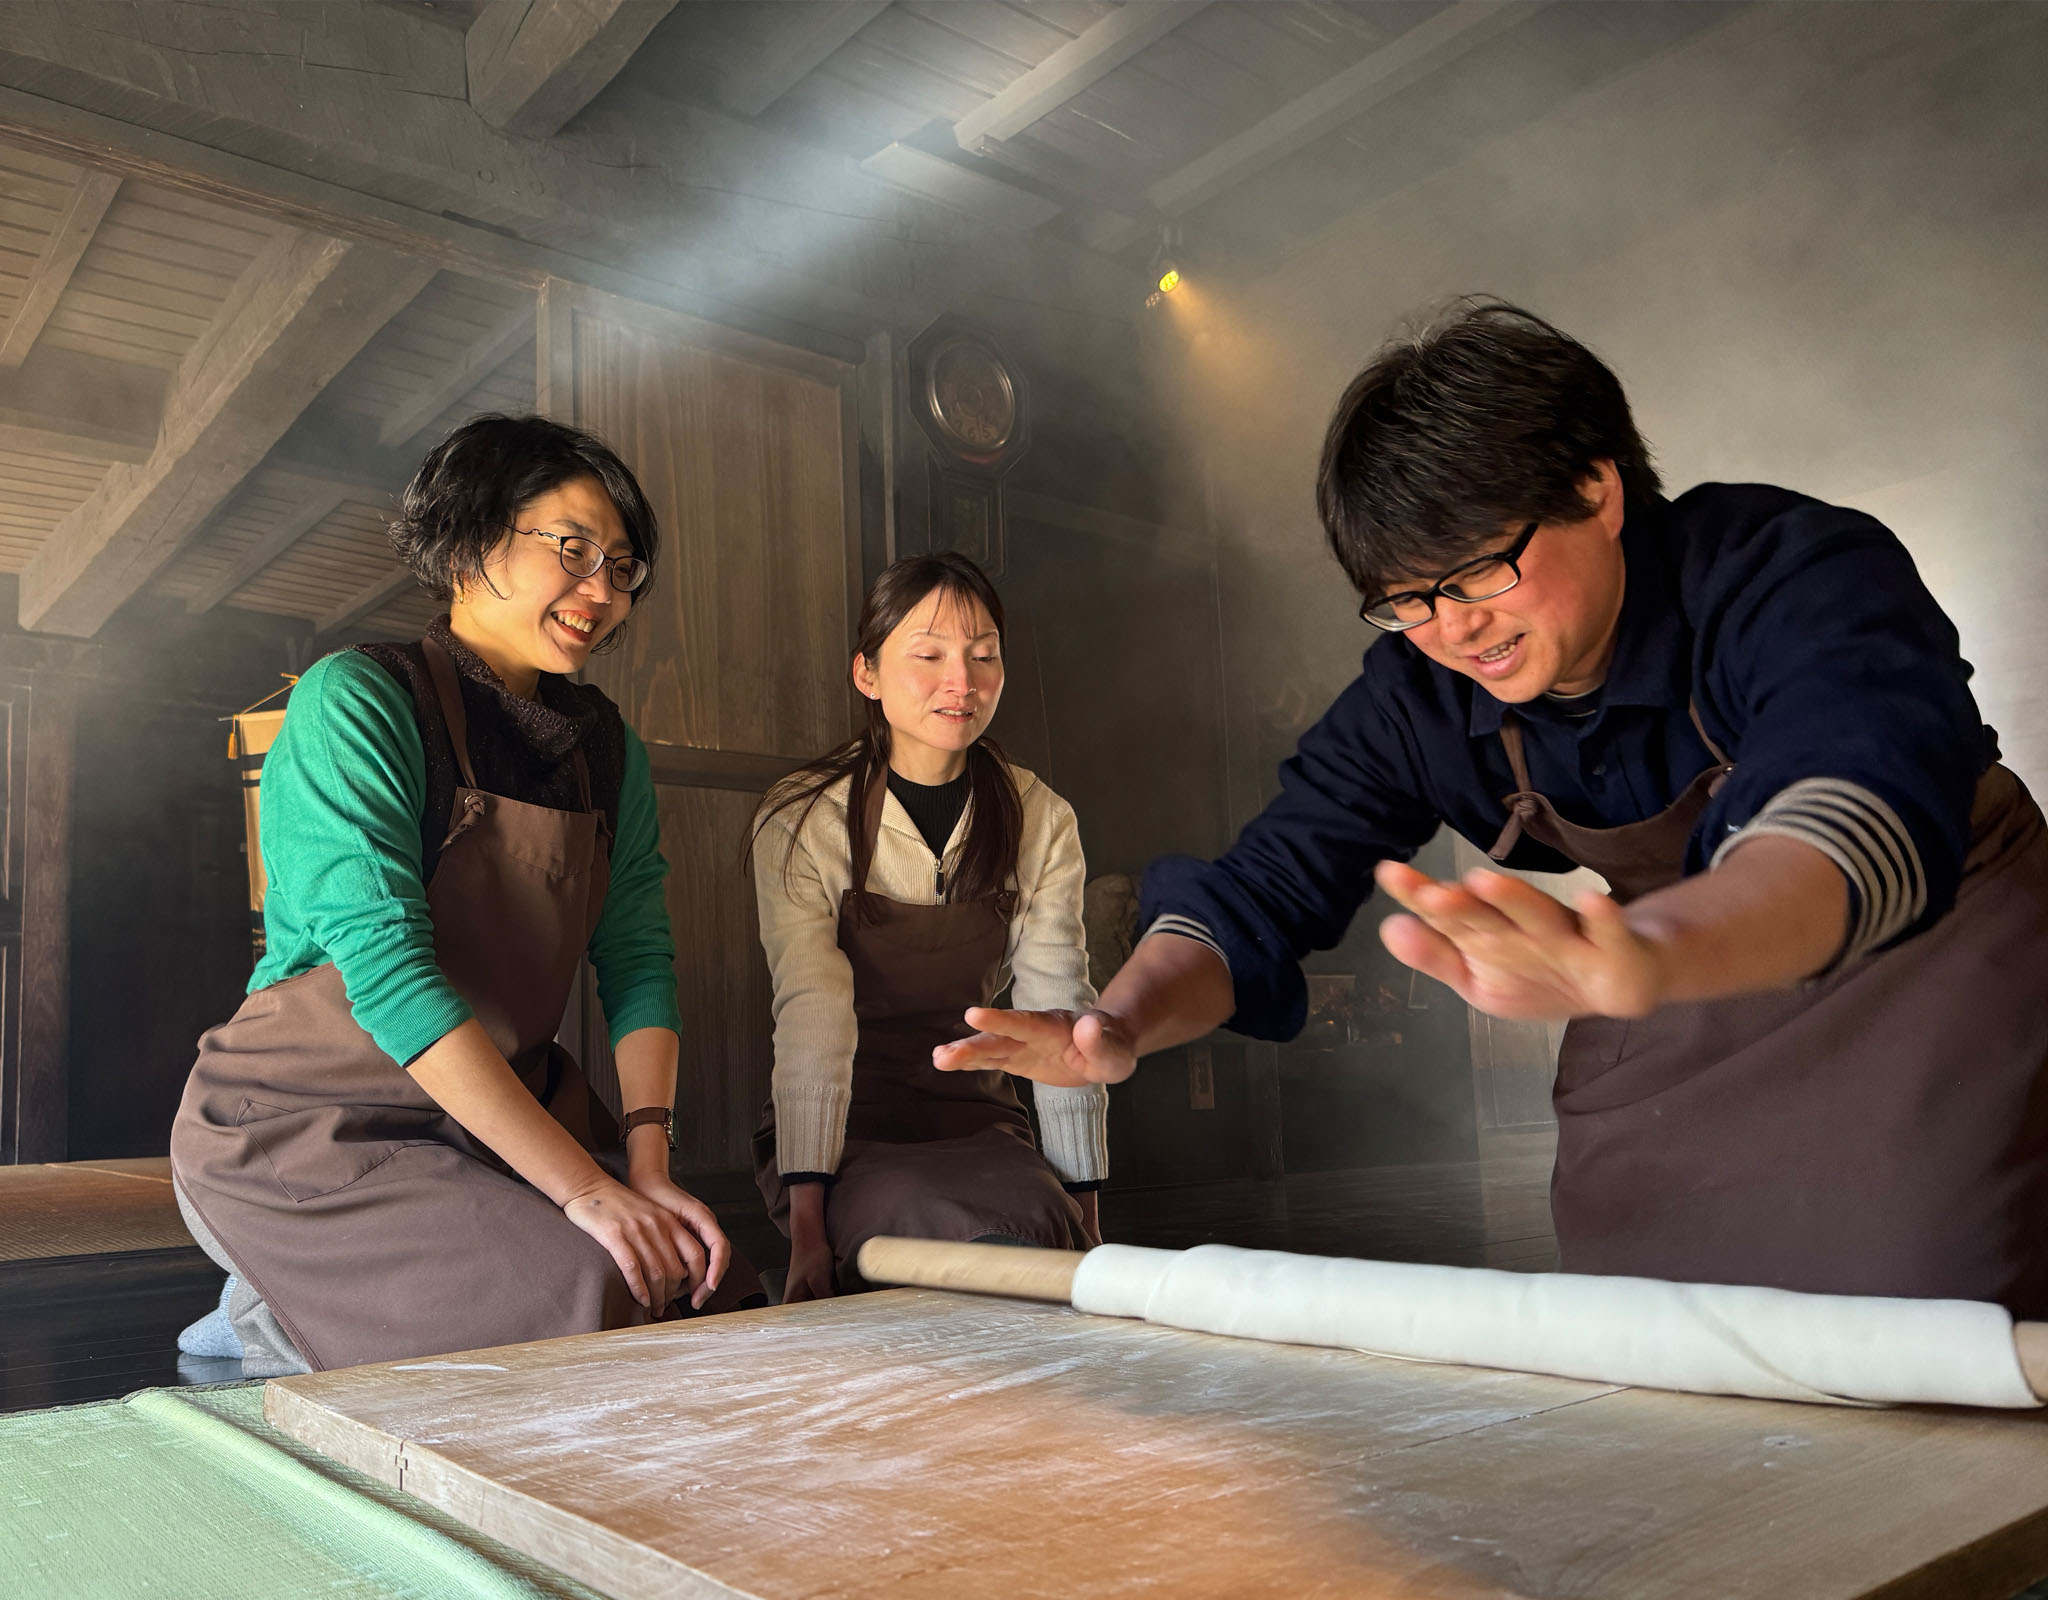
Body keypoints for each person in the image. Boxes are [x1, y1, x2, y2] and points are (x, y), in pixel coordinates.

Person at [941, 301, 2048, 1316]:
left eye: (1476, 572)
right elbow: (1264, 889)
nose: (1453, 628)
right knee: (1644, 1316)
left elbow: (1845, 801)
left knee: (1940, 1300)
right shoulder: (1419, 695)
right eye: (1406, 600)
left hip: (1938, 961)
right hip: (1660, 977)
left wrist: (1653, 955)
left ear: (1596, 491)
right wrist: (1120, 1025)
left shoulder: (1789, 570)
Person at [171, 413, 746, 1374]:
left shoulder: (609, 750)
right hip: (307, 1121)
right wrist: (583, 1191)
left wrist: (648, 1159)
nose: (601, 590)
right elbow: (390, 973)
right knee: (590, 1290)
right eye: (573, 550)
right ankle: (271, 1310)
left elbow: (638, 958)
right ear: (471, 541)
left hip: (495, 1114)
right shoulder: (357, 699)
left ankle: (347, 1292)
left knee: (698, 1286)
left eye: (621, 567)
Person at [750, 552, 1107, 1300]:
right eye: (929, 655)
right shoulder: (804, 818)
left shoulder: (1041, 817)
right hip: (846, 1131)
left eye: (983, 656)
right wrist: (809, 1235)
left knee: (1038, 1223)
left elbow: (1060, 1014)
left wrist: (1086, 1220)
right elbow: (812, 1015)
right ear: (867, 674)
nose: (962, 682)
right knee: (909, 1224)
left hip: (977, 1118)